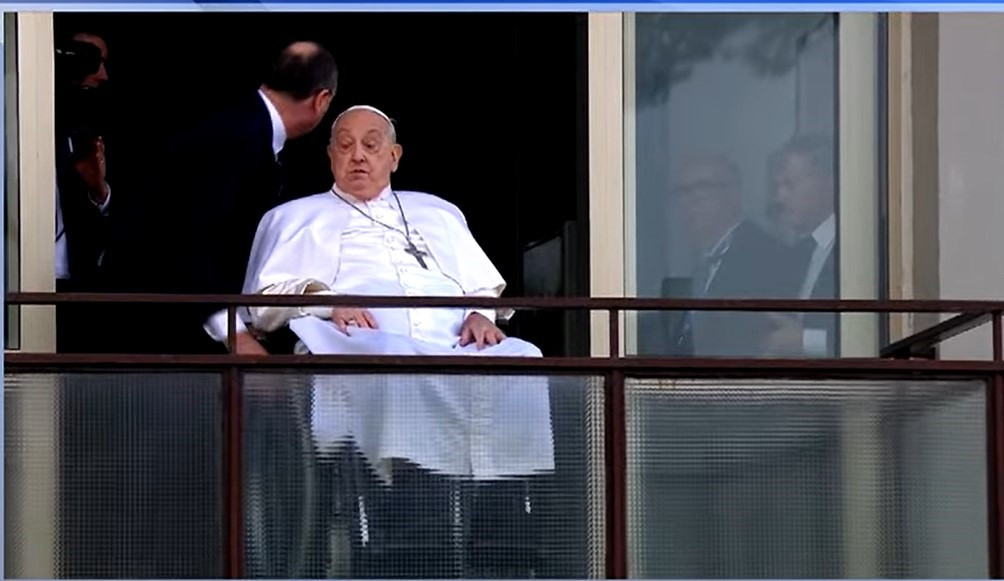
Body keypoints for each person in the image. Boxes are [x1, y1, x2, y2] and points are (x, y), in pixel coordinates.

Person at [241, 105, 554, 577]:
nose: (358, 156)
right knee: (396, 361)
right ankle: (409, 526)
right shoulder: (294, 216)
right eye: (345, 145)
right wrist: (327, 300)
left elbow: (481, 287)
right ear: (329, 156)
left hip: (451, 348)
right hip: (358, 347)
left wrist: (479, 315)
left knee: (523, 357)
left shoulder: (439, 212)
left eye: (371, 145)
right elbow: (261, 302)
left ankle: (501, 527)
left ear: (395, 155)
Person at [103, 40, 338, 355]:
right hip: (151, 330)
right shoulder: (234, 138)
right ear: (322, 100)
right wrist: (234, 333)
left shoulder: (246, 125)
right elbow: (190, 239)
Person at [54, 31, 113, 352]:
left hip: (80, 285)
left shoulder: (101, 129)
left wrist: (98, 189)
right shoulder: (21, 116)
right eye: (88, 60)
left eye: (101, 62)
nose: (101, 75)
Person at [763, 134, 838, 357]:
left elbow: (872, 335)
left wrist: (805, 341)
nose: (780, 197)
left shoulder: (861, 246)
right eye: (777, 186)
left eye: (790, 184)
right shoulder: (798, 254)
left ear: (830, 182)